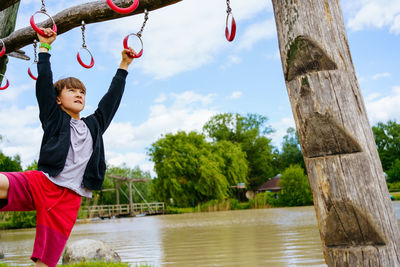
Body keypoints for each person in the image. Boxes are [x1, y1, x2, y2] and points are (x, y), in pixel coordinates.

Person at [0, 28, 136, 267]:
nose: (78, 94)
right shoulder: (54, 119)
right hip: (42, 183)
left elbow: (111, 99)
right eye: (71, 90)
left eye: (82, 91)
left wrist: (124, 64)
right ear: (58, 99)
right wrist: (44, 48)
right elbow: (43, 87)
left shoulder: (94, 125)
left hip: (68, 200)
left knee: (45, 263)